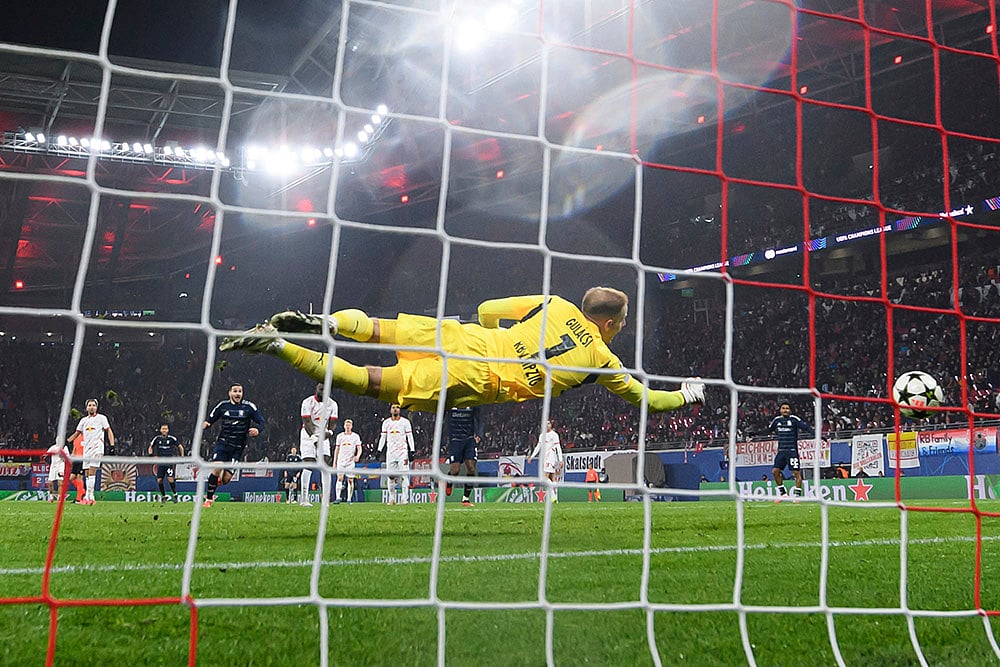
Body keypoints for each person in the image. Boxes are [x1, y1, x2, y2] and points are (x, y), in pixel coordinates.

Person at [219, 287, 705, 413]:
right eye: (620, 322)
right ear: (608, 322)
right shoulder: (604, 361)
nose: (620, 329)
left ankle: (324, 321)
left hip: (469, 337)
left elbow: (488, 307)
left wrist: (497, 333)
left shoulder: (554, 304)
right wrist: (688, 394)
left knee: (382, 329)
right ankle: (281, 346)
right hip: (482, 378)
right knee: (370, 381)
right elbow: (649, 401)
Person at [201, 383, 264, 507]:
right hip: (223, 444)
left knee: (226, 480)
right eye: (235, 391)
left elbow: (261, 421)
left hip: (238, 448)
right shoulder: (223, 406)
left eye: (240, 391)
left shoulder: (249, 407)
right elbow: (211, 417)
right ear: (229, 393)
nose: (237, 393)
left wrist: (258, 430)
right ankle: (208, 499)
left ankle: (215, 481)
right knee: (217, 467)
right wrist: (207, 423)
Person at [65, 399, 115, 505]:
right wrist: (68, 440)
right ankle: (87, 496)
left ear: (96, 407)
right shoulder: (83, 421)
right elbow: (77, 433)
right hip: (86, 451)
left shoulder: (101, 418)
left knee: (92, 471)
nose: (91, 407)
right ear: (86, 408)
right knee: (87, 474)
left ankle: (91, 496)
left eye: (93, 405)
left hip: (97, 448)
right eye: (89, 405)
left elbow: (109, 430)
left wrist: (112, 445)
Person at [298, 382, 338, 507]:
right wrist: (313, 437)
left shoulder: (332, 404)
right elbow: (307, 421)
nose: (323, 391)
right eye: (321, 389)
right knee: (308, 462)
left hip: (323, 434)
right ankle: (304, 499)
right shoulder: (307, 402)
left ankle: (325, 499)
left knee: (325, 463)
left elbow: (333, 422)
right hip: (307, 434)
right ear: (316, 389)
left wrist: (329, 433)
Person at [767, 401, 814, 500]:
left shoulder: (794, 420)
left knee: (796, 473)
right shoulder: (777, 420)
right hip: (781, 451)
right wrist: (754, 433)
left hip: (792, 451)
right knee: (775, 471)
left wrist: (817, 435)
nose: (785, 410)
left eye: (787, 408)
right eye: (783, 408)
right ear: (780, 410)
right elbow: (768, 430)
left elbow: (807, 428)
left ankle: (797, 496)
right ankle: (783, 493)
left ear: (790, 410)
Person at [444, 405, 483, 507]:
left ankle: (466, 498)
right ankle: (449, 481)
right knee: (455, 471)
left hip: (469, 440)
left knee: (471, 468)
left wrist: (479, 434)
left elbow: (479, 419)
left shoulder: (472, 402)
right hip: (455, 441)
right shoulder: (451, 401)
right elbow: (442, 418)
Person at [377, 403, 415, 505]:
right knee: (390, 477)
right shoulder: (386, 423)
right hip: (390, 453)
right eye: (393, 408)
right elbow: (383, 437)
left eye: (397, 407)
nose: (395, 409)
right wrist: (379, 450)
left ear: (400, 410)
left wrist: (412, 450)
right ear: (390, 410)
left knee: (404, 476)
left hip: (402, 453)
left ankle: (404, 499)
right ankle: (392, 499)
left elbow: (410, 436)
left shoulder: (405, 422)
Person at [528, 419, 563, 503]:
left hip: (551, 456)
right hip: (545, 457)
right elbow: (538, 447)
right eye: (545, 424)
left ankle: (553, 496)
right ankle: (556, 499)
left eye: (548, 424)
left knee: (545, 476)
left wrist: (560, 459)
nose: (547, 425)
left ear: (551, 425)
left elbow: (558, 447)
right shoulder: (542, 435)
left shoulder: (554, 435)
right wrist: (532, 456)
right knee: (552, 477)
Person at [148, 423, 184, 502]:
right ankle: (164, 496)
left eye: (166, 429)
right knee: (159, 480)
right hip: (160, 463)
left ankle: (175, 495)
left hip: (168, 462)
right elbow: (150, 447)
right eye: (163, 429)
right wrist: (151, 456)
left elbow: (180, 446)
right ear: (160, 430)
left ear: (168, 430)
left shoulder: (171, 438)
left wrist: (182, 456)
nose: (164, 430)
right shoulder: (157, 438)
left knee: (170, 479)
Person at [333, 419, 362, 504]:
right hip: (341, 461)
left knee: (350, 480)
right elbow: (337, 449)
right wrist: (334, 462)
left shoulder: (355, 436)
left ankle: (349, 499)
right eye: (346, 425)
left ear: (351, 426)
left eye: (349, 425)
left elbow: (359, 448)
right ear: (344, 426)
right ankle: (338, 497)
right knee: (340, 478)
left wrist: (357, 456)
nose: (348, 426)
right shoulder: (340, 436)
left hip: (350, 461)